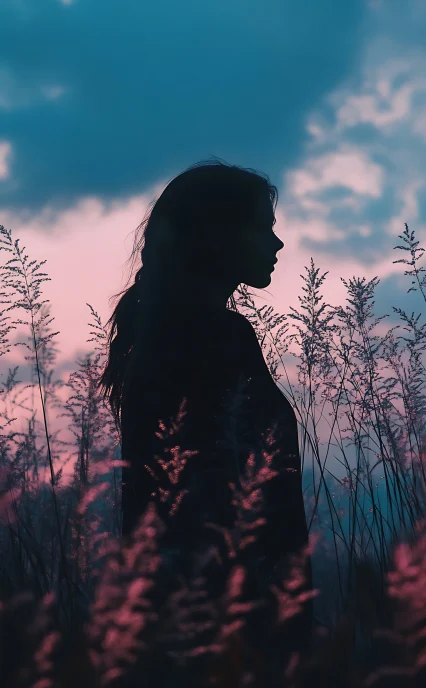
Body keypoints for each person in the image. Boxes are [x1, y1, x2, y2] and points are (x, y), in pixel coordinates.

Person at [97, 158, 313, 642]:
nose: (277, 244)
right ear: (219, 235)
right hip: (235, 623)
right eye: (264, 228)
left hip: (181, 618)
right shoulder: (215, 337)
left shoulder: (162, 337)